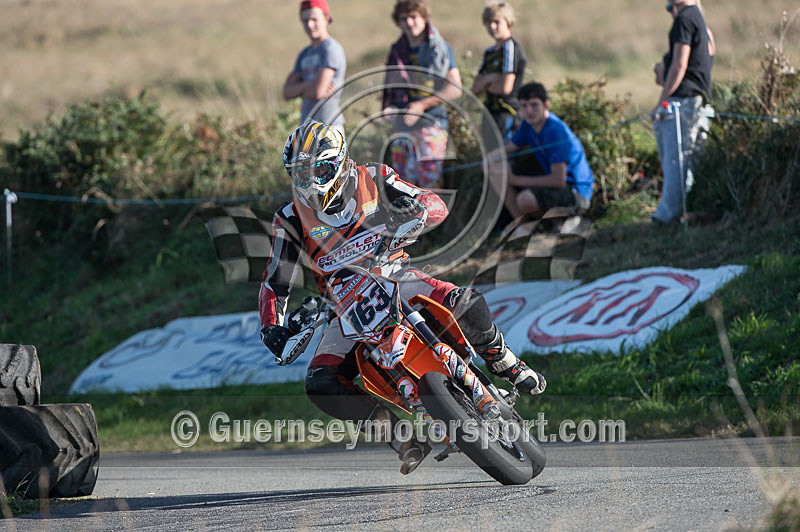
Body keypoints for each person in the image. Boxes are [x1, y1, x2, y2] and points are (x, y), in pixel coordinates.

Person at [259, 121, 546, 474]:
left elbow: (432, 201)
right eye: (300, 173)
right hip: (343, 307)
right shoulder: (289, 217)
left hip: (394, 275)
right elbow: (275, 280)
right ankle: (400, 436)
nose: (311, 182)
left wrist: (419, 210)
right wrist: (271, 326)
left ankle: (503, 359)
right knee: (320, 383)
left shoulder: (374, 177)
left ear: (340, 161)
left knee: (464, 300)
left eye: (320, 169)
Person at [382, 0, 462, 189]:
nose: (409, 23)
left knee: (430, 184)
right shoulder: (397, 51)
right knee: (403, 187)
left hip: (431, 123)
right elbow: (390, 88)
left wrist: (422, 105)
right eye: (404, 18)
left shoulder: (440, 48)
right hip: (402, 127)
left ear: (424, 18)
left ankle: (437, 220)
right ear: (398, 22)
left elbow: (455, 88)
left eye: (414, 17)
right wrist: (389, 108)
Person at [488, 82, 594, 219]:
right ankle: (522, 227)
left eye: (534, 105)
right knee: (497, 171)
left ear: (546, 105)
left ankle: (559, 222)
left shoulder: (555, 131)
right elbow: (509, 148)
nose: (529, 111)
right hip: (552, 182)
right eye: (524, 106)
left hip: (575, 192)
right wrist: (488, 159)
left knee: (525, 200)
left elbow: (558, 180)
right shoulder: (528, 125)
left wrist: (516, 180)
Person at [650, 0, 713, 226]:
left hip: (682, 103)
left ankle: (666, 216)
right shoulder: (697, 16)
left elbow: (679, 65)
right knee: (690, 160)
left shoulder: (684, 20)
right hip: (698, 101)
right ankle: (686, 209)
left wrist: (662, 101)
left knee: (674, 161)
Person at [282, 0, 346, 131]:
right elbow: (287, 92)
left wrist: (300, 90)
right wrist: (309, 86)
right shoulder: (304, 54)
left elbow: (318, 92)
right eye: (305, 20)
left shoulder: (330, 49)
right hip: (307, 129)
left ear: (326, 19)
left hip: (329, 127)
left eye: (314, 19)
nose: (310, 25)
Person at [471, 1, 527, 147]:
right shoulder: (489, 52)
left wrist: (487, 80)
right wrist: (492, 79)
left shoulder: (510, 47)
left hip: (507, 114)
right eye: (489, 23)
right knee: (489, 161)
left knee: (502, 160)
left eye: (496, 22)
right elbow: (475, 88)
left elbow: (505, 88)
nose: (492, 27)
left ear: (508, 21)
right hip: (489, 115)